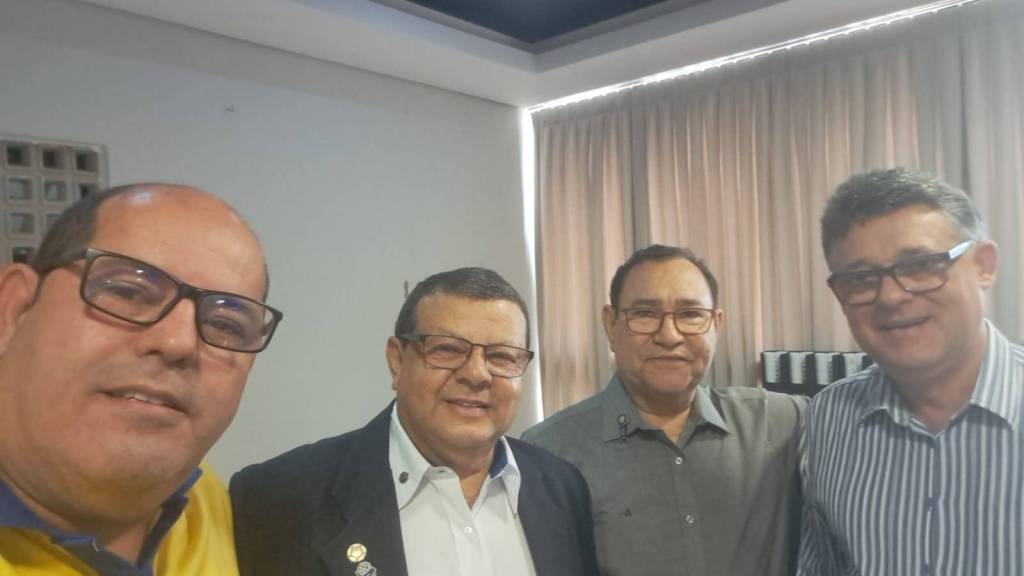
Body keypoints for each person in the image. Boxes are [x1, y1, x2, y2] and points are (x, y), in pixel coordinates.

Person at [230, 267, 598, 576]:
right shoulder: (282, 497)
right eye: (447, 349)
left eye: (502, 356)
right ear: (397, 360)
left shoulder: (562, 488)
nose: (476, 374)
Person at [0, 184, 284, 575]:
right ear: (15, 308)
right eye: (128, 292)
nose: (179, 343)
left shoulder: (209, 501)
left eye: (225, 324)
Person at [523, 244, 805, 576]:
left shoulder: (782, 422)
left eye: (690, 314)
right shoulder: (550, 452)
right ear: (611, 324)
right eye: (645, 313)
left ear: (716, 324)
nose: (669, 336)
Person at [798, 167, 1022, 575]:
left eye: (919, 265)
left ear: (983, 265)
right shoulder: (828, 417)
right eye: (861, 279)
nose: (890, 297)